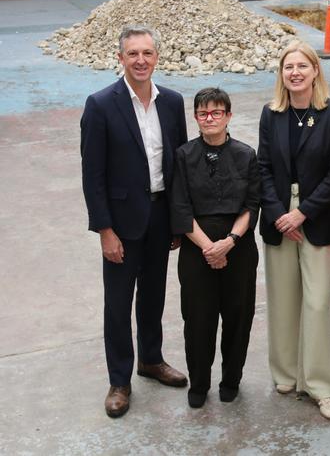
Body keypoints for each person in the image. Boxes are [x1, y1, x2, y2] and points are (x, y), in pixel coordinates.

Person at [81, 25, 188, 418]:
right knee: (118, 302)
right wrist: (105, 230)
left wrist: (179, 221)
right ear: (121, 58)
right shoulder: (101, 104)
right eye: (133, 54)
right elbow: (92, 175)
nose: (140, 60)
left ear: (157, 56)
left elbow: (180, 163)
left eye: (147, 53)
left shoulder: (173, 102)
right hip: (122, 223)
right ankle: (119, 380)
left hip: (161, 216)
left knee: (154, 295)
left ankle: (151, 360)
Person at [257, 40, 330, 420]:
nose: (294, 72)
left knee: (316, 303)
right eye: (287, 67)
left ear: (315, 71)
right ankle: (285, 373)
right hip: (279, 218)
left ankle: (321, 385)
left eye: (302, 66)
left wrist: (303, 213)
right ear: (281, 74)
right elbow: (262, 167)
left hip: (318, 218)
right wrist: (281, 213)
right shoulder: (271, 113)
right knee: (283, 299)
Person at [170, 87, 260, 408]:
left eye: (217, 113)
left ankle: (231, 378)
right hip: (197, 251)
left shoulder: (246, 154)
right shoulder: (183, 156)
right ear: (195, 118)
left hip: (239, 248)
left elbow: (252, 205)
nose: (210, 119)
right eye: (203, 113)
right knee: (198, 319)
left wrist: (229, 243)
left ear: (229, 116)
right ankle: (199, 383)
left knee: (238, 317)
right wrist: (210, 248)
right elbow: (180, 207)